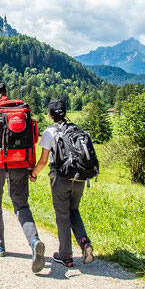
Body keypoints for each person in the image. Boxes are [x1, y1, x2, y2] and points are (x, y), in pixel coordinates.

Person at [0, 80, 45, 273]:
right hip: (21, 164)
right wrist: (31, 166)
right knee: (21, 205)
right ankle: (34, 242)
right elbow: (32, 139)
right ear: (6, 92)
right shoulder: (22, 108)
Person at [31, 99, 94, 268]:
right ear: (65, 113)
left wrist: (33, 174)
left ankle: (66, 255)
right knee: (73, 211)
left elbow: (43, 161)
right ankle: (85, 243)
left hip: (61, 179)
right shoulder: (77, 130)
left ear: (50, 115)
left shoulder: (49, 133)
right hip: (80, 178)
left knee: (62, 215)